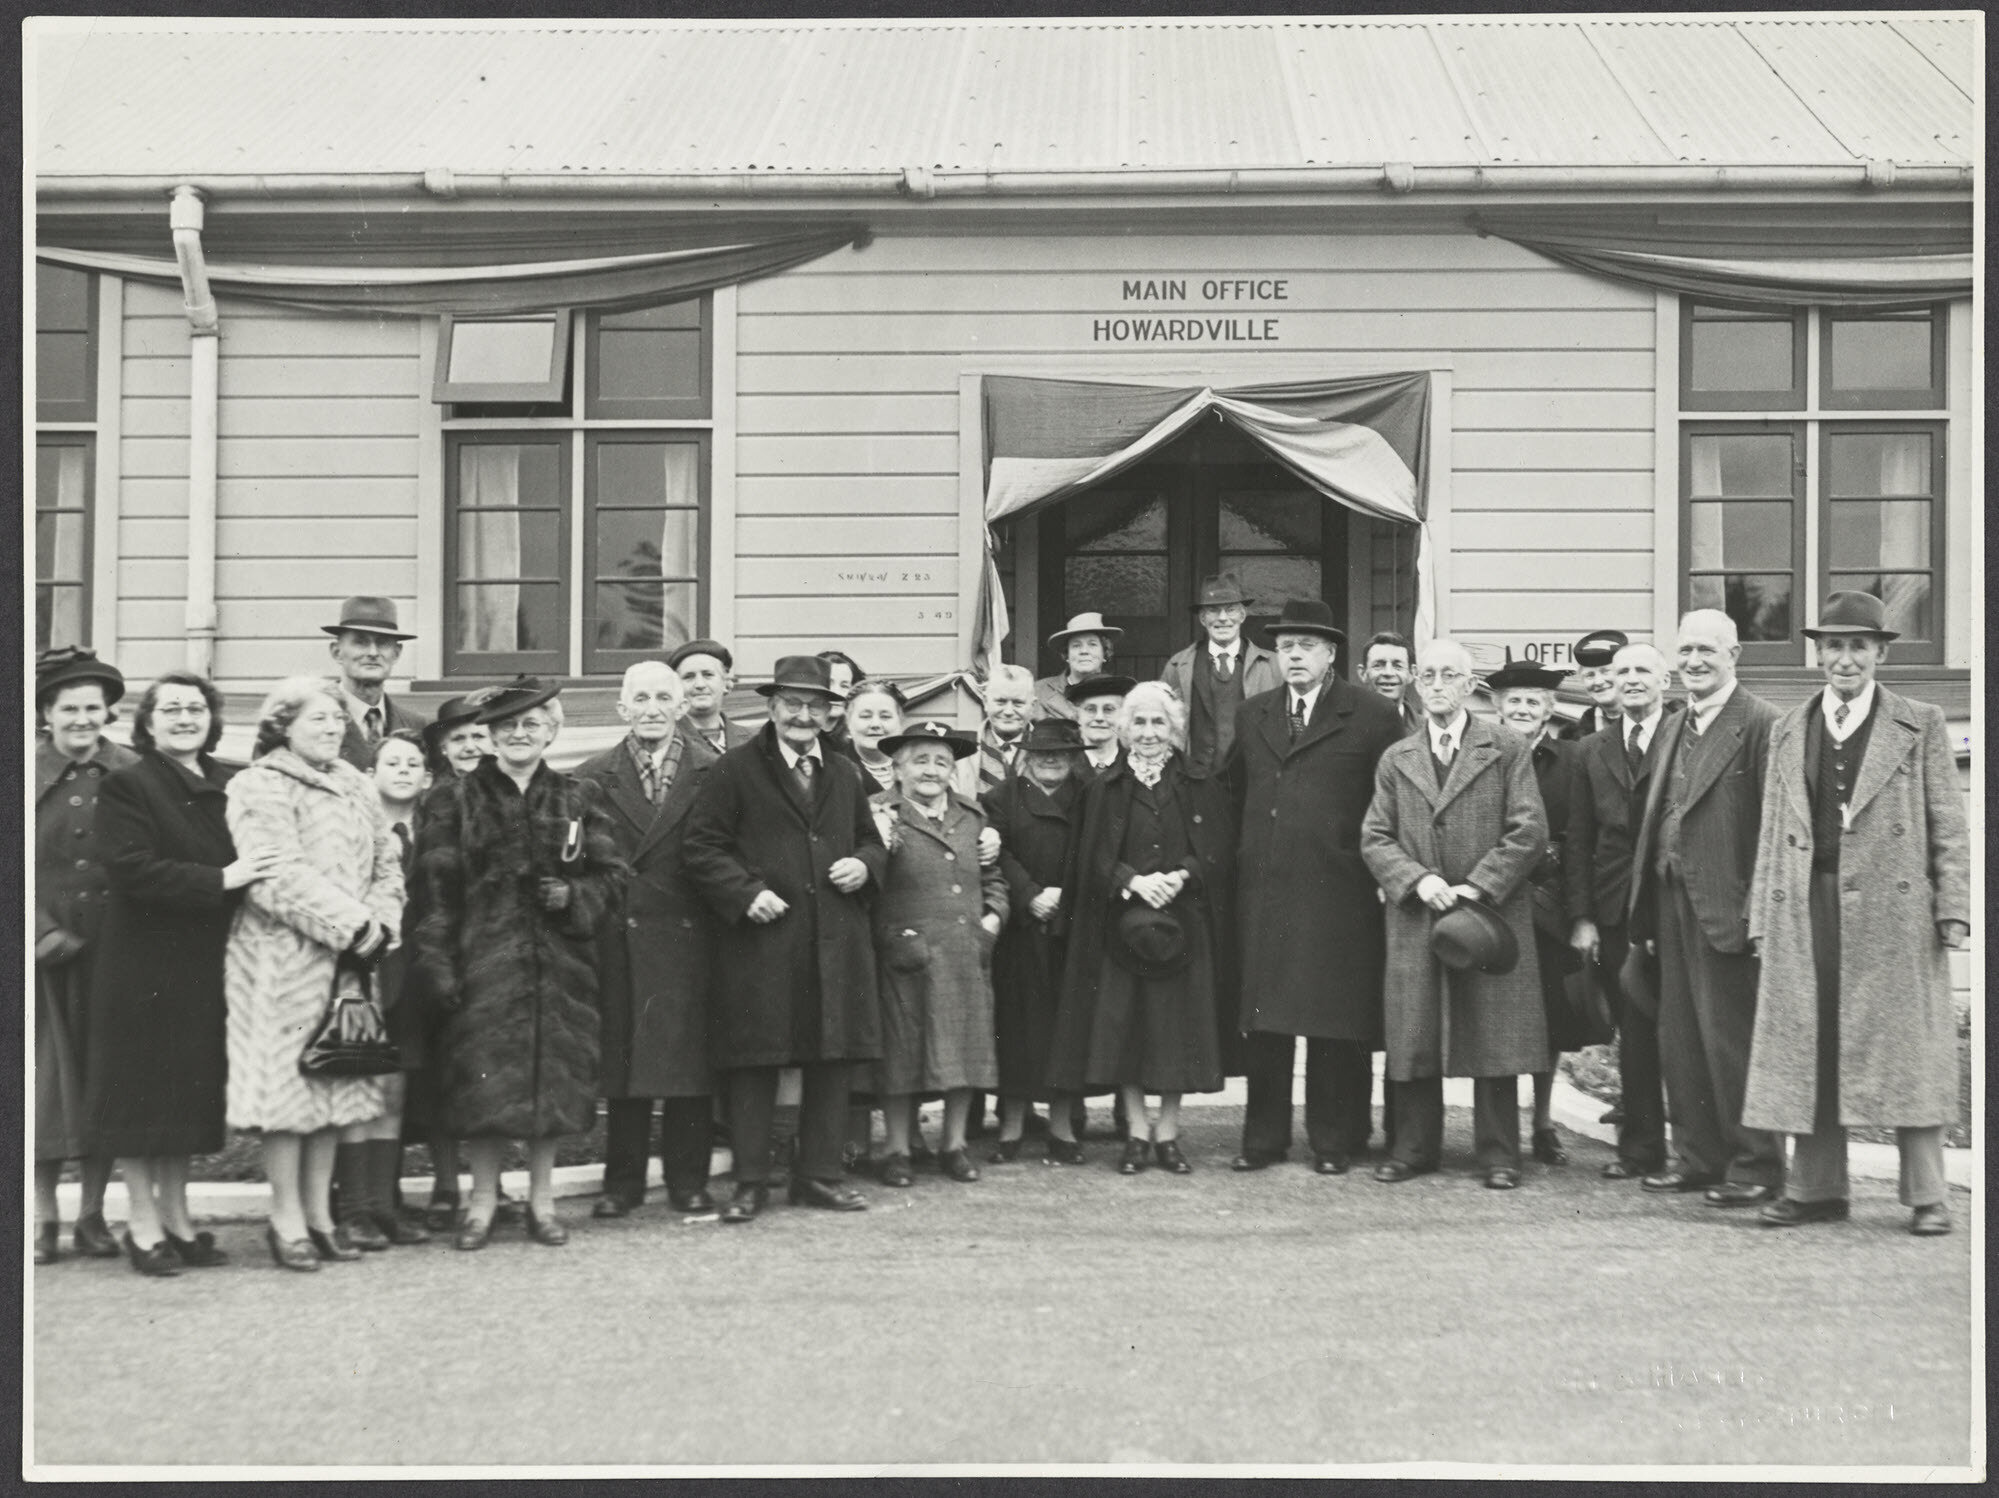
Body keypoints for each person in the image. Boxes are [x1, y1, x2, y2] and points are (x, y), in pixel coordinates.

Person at [1743, 593, 1970, 1236]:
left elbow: (1948, 826)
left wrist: (1953, 907)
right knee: (1810, 1040)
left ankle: (1928, 1195)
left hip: (1896, 913)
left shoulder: (1917, 721)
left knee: (1906, 1050)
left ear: (1880, 653)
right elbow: (1771, 830)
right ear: (1819, 654)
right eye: (1834, 647)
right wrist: (1763, 914)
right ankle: (1816, 1189)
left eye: (1859, 647)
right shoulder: (1789, 726)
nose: (1846, 659)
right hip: (1806, 899)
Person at [414, 678, 623, 1250]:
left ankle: (542, 1202)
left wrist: (573, 898)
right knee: (484, 1089)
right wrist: (438, 966)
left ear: (552, 730)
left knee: (550, 1088)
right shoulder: (451, 799)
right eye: (506, 726)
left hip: (559, 971)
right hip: (482, 967)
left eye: (532, 723)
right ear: (489, 735)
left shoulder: (578, 796)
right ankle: (481, 1202)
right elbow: (433, 894)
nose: (519, 734)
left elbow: (612, 877)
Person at [682, 655, 888, 1223]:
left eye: (815, 706)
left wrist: (865, 866)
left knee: (830, 1059)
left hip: (835, 940)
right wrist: (745, 893)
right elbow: (701, 848)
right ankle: (750, 1183)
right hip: (763, 942)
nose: (803, 715)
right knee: (756, 1061)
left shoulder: (845, 773)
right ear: (771, 708)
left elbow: (874, 841)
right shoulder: (736, 769)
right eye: (792, 705)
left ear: (829, 714)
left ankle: (818, 1177)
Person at [84, 672, 276, 1275]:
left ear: (212, 718)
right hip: (143, 964)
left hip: (206, 961)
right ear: (147, 723)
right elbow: (131, 869)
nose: (185, 718)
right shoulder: (128, 784)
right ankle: (142, 1227)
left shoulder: (231, 779)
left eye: (195, 708)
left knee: (184, 1100)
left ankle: (177, 1217)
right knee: (142, 1102)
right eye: (170, 709)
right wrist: (222, 879)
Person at [225, 676, 406, 1270]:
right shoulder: (258, 785)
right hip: (283, 962)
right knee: (287, 1095)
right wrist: (357, 929)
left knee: (335, 1084)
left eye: (336, 720)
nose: (332, 729)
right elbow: (276, 879)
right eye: (316, 720)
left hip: (351, 963)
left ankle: (321, 1216)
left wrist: (381, 923)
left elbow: (387, 862)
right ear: (283, 727)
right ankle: (286, 1220)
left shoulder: (357, 784)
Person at [1360, 639, 1548, 1190]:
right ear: (1418, 683)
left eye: (1451, 676)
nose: (1439, 684)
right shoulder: (1397, 757)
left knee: (1495, 1031)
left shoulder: (1507, 747)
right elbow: (1374, 836)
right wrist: (1419, 881)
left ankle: (1498, 1156)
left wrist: (1478, 887)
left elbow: (1530, 829)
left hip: (1489, 915)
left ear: (1470, 686)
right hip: (1420, 913)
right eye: (1431, 675)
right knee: (1415, 1029)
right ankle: (1414, 1149)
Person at [1230, 598, 1402, 1175]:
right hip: (1266, 894)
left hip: (1341, 895)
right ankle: (1263, 1140)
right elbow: (1234, 794)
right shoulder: (1252, 714)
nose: (1294, 656)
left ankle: (1337, 1141)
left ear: (1330, 654)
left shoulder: (1374, 715)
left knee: (1336, 1024)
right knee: (1266, 1025)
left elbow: (1392, 802)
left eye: (1306, 646)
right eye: (1284, 648)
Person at [1626, 610, 1784, 1207]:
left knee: (1731, 1040)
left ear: (1734, 656)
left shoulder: (1762, 723)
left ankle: (1757, 1165)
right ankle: (1699, 1158)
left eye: (1707, 651)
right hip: (1668, 901)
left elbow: (1774, 828)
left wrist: (1757, 910)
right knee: (1681, 1037)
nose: (1693, 661)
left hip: (1728, 906)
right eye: (1685, 649)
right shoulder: (1673, 724)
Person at [1047, 681, 1232, 1175]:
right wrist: (1130, 881)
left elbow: (1217, 847)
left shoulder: (1197, 781)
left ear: (1173, 730)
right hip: (1119, 928)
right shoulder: (1103, 788)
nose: (1149, 733)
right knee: (1124, 1027)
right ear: (1125, 730)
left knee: (1176, 1030)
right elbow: (1088, 857)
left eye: (1159, 723)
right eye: (1140, 723)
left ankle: (1168, 1133)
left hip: (1184, 925)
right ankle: (1134, 1131)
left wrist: (1181, 875)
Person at [574, 662, 723, 1220]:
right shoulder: (592, 776)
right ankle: (623, 1183)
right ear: (623, 709)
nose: (653, 707)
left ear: (683, 707)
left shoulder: (717, 772)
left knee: (689, 1065)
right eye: (642, 698)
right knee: (626, 1065)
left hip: (692, 937)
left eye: (665, 696)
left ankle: (689, 1181)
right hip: (622, 938)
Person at [33, 648, 138, 1264]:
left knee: (105, 1078)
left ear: (107, 712)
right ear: (46, 713)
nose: (81, 718)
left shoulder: (129, 769)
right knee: (46, 1085)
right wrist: (40, 932)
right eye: (68, 707)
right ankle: (44, 1218)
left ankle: (94, 1215)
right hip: (40, 953)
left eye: (92, 707)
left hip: (113, 948)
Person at [868, 721, 1008, 1187]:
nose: (931, 770)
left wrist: (993, 919)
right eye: (920, 760)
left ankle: (954, 1146)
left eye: (941, 761)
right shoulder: (877, 814)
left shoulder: (973, 817)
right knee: (902, 1054)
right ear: (898, 768)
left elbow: (996, 879)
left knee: (964, 1053)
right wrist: (891, 935)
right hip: (905, 953)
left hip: (966, 951)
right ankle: (897, 1150)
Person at [1564, 643, 1674, 1181]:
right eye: (1623, 671)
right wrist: (1582, 916)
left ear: (1664, 680)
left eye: (1642, 670)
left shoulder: (1684, 736)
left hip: (1674, 904)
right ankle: (1640, 1149)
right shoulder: (1591, 749)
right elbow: (1580, 837)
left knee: (1686, 1029)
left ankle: (1706, 1150)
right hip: (1612, 910)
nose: (1631, 680)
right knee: (1632, 1029)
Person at [330, 730, 434, 1250]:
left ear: (427, 777)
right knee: (359, 1086)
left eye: (412, 763)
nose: (402, 770)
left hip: (414, 977)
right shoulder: (354, 828)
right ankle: (354, 1208)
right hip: (364, 969)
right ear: (371, 774)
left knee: (394, 1090)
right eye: (391, 762)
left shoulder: (435, 831)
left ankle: (384, 1203)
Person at [1486, 653, 1583, 1167]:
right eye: (1514, 701)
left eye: (1532, 702)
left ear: (1548, 710)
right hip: (1494, 905)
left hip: (1545, 907)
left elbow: (1579, 834)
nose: (1522, 709)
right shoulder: (1483, 754)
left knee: (1546, 1020)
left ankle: (1542, 1122)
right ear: (1499, 709)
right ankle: (1498, 1128)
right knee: (1497, 1016)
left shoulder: (1570, 761)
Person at [983, 718, 1092, 1163]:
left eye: (1061, 753)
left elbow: (1095, 851)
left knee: (1066, 1031)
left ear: (1073, 757)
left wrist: (1063, 897)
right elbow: (997, 853)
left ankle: (1063, 1128)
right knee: (1016, 1030)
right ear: (1027, 755)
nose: (1051, 760)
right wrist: (1029, 895)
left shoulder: (1090, 797)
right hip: (1019, 930)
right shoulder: (1000, 798)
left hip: (1070, 928)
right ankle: (1009, 1127)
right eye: (1043, 752)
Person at [407, 693, 491, 1227]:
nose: (470, 746)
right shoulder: (428, 802)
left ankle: (492, 1186)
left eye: (479, 736)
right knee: (440, 1074)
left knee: (489, 1076)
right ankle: (443, 1183)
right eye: (458, 738)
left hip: (495, 950)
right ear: (442, 748)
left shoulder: (511, 795)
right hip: (438, 947)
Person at [1160, 575, 1281, 778]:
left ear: (1242, 615)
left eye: (1231, 609)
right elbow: (1162, 724)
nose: (1223, 618)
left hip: (1253, 780)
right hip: (1196, 780)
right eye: (1213, 610)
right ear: (1202, 618)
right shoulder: (1177, 666)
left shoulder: (1272, 665)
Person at [322, 595, 429, 768]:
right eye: (361, 642)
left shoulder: (415, 725)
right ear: (336, 652)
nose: (373, 652)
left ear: (396, 653)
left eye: (383, 643)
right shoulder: (313, 720)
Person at [954, 663, 1038, 798]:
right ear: (986, 702)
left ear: (1032, 706)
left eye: (1018, 703)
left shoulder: (1046, 748)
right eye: (1000, 702)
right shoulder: (961, 751)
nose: (1009, 711)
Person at [670, 638, 753, 755]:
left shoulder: (754, 741)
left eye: (708, 675)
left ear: (726, 684)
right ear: (676, 688)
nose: (700, 684)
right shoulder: (666, 740)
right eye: (689, 677)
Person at [1034, 612, 1122, 722]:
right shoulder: (1039, 691)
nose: (1084, 651)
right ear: (1067, 655)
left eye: (1092, 644)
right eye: (1076, 645)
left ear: (1104, 653)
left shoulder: (1120, 693)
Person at [1564, 629, 1628, 742]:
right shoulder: (1572, 739)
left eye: (1606, 671)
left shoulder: (1660, 724)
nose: (1598, 682)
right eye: (1590, 675)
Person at [847, 680, 910, 793]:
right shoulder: (833, 769)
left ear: (901, 721)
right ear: (848, 722)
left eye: (885, 716)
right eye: (865, 716)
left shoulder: (916, 765)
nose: (875, 724)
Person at [1070, 674, 1135, 776]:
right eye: (1090, 709)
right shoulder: (1066, 766)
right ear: (1078, 715)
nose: (1099, 717)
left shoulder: (1136, 767)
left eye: (1108, 709)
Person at [1360, 630, 1421, 737]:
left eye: (1398, 666)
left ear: (1412, 673)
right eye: (1378, 665)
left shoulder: (1427, 731)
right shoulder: (1345, 727)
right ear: (1363, 673)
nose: (1388, 673)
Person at [815, 649, 867, 758]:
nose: (836, 693)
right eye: (829, 684)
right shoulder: (799, 735)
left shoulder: (860, 740)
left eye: (844, 686)